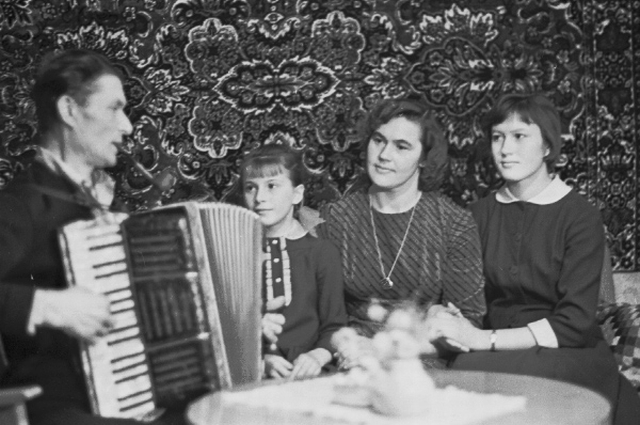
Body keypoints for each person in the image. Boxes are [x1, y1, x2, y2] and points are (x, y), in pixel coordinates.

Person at [428, 93, 640, 424]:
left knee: (486, 376)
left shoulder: (580, 216)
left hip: (567, 353)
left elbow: (574, 324)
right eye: (497, 137)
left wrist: (485, 339)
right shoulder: (475, 215)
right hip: (492, 351)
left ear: (547, 147)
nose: (504, 149)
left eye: (519, 136)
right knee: (463, 375)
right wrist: (453, 317)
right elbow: (462, 297)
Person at [0, 49, 181, 425]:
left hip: (130, 400)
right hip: (57, 409)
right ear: (69, 110)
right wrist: (48, 305)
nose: (128, 126)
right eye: (114, 108)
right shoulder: (22, 204)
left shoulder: (105, 209)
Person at [318, 98, 486, 367]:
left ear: (423, 158)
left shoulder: (453, 223)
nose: (384, 155)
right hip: (349, 357)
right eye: (378, 140)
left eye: (402, 146)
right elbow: (320, 313)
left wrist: (384, 350)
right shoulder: (335, 218)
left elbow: (468, 322)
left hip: (419, 359)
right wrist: (344, 346)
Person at [241, 143, 348, 380]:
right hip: (255, 372)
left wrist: (317, 356)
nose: (260, 198)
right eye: (251, 188)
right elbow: (230, 326)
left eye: (272, 186)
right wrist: (261, 360)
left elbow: (335, 325)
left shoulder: (321, 253)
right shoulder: (238, 254)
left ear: (297, 194)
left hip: (310, 371)